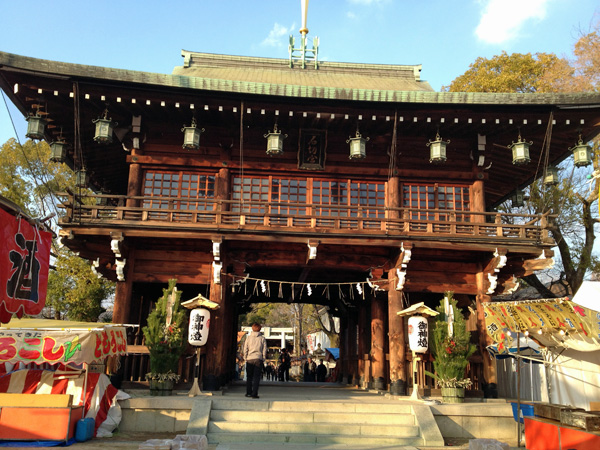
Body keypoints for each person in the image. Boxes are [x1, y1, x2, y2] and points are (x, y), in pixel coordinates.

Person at [243, 322, 266, 398]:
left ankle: (248, 392)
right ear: (260, 329)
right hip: (258, 358)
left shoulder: (248, 338)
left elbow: (245, 348)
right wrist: (263, 358)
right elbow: (264, 349)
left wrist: (245, 357)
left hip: (250, 358)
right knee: (256, 377)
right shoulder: (262, 338)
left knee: (249, 377)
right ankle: (254, 393)